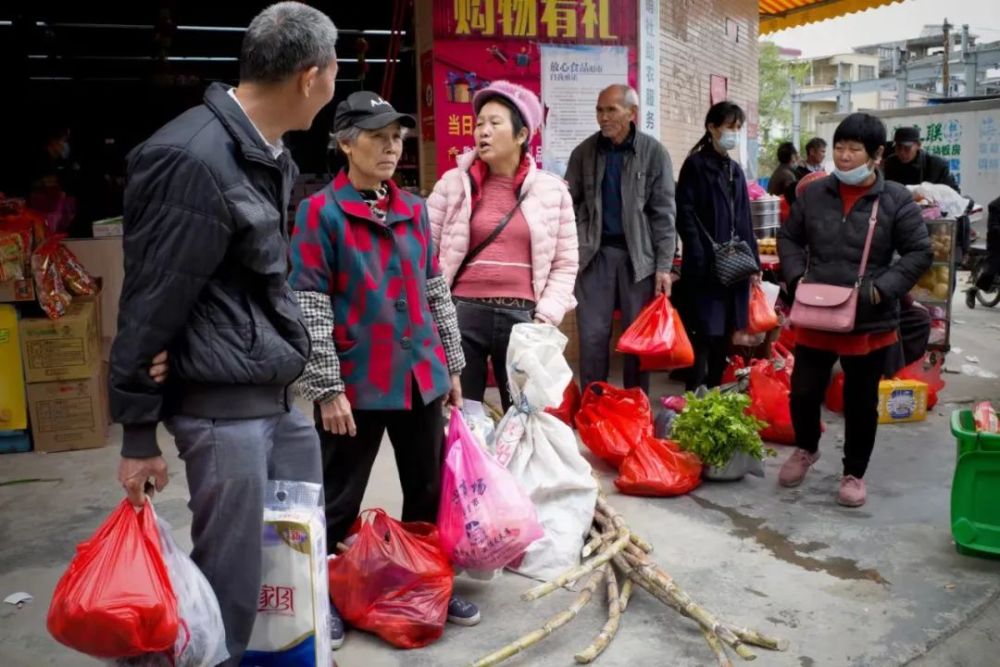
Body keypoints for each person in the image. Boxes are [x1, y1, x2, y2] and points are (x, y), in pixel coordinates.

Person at [108, 4, 339, 663]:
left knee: (292, 564)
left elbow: (262, 281)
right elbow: (149, 301)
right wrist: (135, 430)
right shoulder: (191, 159)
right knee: (229, 587)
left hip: (276, 399)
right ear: (309, 77)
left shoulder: (267, 154)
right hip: (222, 408)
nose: (332, 86)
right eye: (333, 73)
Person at [289, 91, 481, 640]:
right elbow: (310, 304)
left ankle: (427, 585)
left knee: (426, 491)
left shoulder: (413, 209)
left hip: (420, 376)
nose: (392, 147)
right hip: (356, 383)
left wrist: (451, 367)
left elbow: (434, 289)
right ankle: (324, 593)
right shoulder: (321, 213)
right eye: (377, 136)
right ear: (346, 143)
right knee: (338, 498)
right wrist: (326, 388)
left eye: (397, 137)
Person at [777, 113, 932, 508]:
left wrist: (883, 290)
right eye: (839, 148)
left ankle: (853, 473)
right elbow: (790, 238)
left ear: (877, 155)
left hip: (868, 316)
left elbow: (919, 252)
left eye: (854, 150)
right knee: (803, 391)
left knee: (861, 402)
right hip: (817, 313)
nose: (844, 158)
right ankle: (806, 448)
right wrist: (796, 280)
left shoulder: (895, 199)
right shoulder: (812, 194)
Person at [428, 81, 578, 411]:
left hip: (524, 319)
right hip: (463, 315)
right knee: (464, 418)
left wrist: (545, 318)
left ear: (522, 135)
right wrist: (436, 313)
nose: (483, 131)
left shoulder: (553, 192)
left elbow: (565, 263)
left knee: (524, 418)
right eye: (479, 122)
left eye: (495, 124)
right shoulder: (452, 185)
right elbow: (426, 253)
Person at [565, 84, 676, 395]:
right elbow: (567, 203)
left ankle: (634, 406)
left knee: (636, 341)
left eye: (611, 110)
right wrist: (580, 231)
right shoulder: (584, 153)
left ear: (632, 113)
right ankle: (594, 406)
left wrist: (664, 267)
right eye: (599, 110)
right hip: (595, 256)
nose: (603, 117)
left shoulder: (654, 154)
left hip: (638, 261)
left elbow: (665, 214)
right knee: (592, 337)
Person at [675, 101, 759, 390]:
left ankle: (713, 392)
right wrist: (698, 253)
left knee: (723, 335)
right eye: (729, 127)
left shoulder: (734, 169)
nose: (733, 133)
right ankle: (694, 394)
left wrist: (754, 263)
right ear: (712, 127)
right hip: (704, 268)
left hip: (733, 267)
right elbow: (684, 212)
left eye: (737, 128)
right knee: (702, 334)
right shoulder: (696, 165)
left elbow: (745, 220)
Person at [966, 195, 1000, 309]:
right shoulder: (995, 205)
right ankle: (973, 291)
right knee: (992, 270)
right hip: (997, 243)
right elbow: (993, 226)